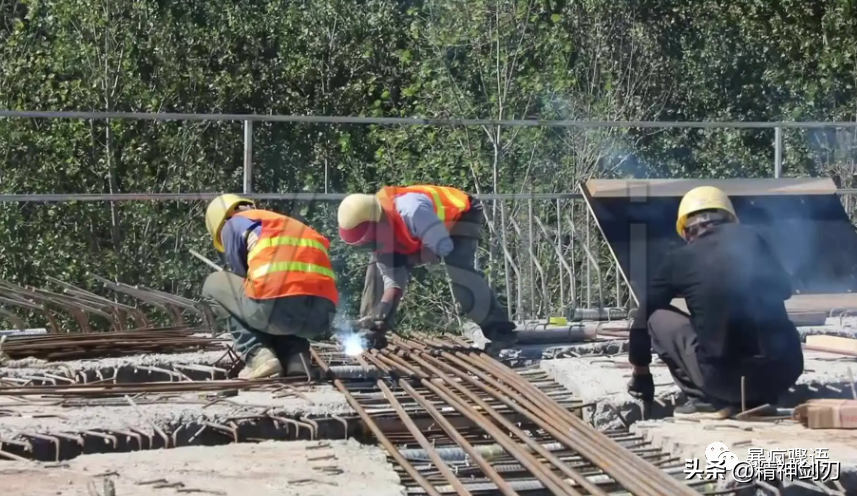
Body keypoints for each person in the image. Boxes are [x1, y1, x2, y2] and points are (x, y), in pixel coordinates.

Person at [626, 185, 804, 419]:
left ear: (687, 232)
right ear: (730, 219)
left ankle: (705, 401)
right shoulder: (754, 239)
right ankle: (757, 398)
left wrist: (641, 373)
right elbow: (784, 289)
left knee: (657, 317)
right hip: (782, 374)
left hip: (723, 382)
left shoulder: (680, 258)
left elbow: (642, 318)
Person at [336, 185, 517, 355]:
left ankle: (500, 332)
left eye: (373, 242)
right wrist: (382, 308)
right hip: (425, 232)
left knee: (460, 270)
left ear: (379, 223)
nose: (374, 248)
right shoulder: (377, 240)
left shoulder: (413, 211)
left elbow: (443, 248)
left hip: (460, 215)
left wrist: (409, 259)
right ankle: (372, 331)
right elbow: (393, 284)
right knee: (376, 272)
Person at [202, 194, 338, 379]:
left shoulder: (232, 223)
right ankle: (296, 358)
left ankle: (259, 356)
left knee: (214, 285)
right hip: (320, 319)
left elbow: (243, 280)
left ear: (220, 220)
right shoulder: (282, 222)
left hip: (274, 309)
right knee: (288, 291)